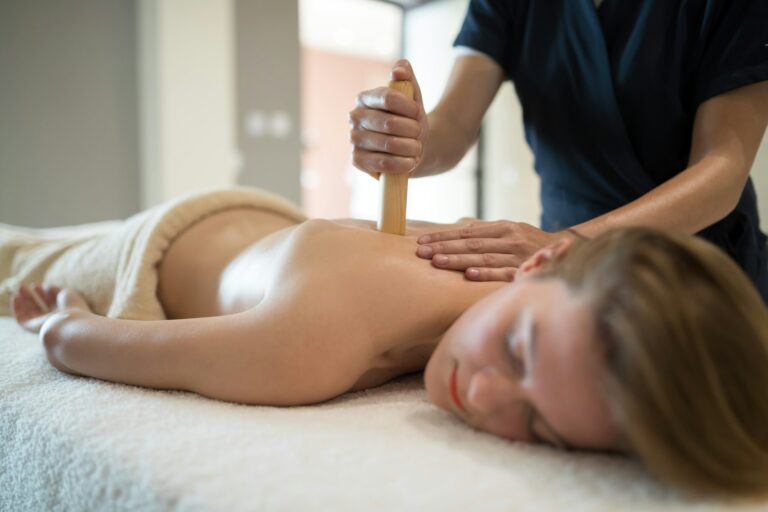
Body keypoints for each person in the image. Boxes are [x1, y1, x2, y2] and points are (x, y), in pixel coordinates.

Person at [8, 204, 768, 499]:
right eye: (516, 348)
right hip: (156, 250)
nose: (487, 396)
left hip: (265, 223)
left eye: (539, 429)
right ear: (538, 260)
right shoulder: (312, 344)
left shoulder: (496, 275)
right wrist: (66, 318)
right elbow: (92, 345)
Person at [349, 0, 768, 302]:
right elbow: (453, 126)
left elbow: (722, 168)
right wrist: (408, 138)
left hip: (698, 269)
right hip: (562, 264)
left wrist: (567, 246)